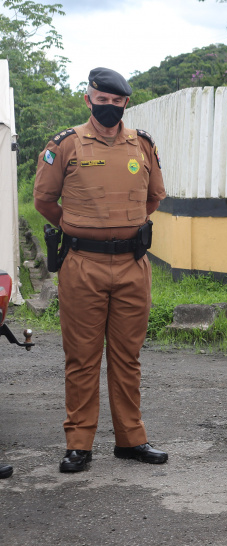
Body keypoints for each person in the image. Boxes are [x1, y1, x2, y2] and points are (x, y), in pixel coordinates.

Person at [33, 68, 168, 473]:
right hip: (82, 265)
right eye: (101, 99)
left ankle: (131, 440)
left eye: (117, 101)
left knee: (128, 357)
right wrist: (82, 227)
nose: (109, 107)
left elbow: (155, 196)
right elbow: (44, 200)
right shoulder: (66, 145)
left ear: (126, 102)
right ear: (88, 98)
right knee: (82, 357)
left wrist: (122, 229)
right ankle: (79, 444)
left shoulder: (141, 144)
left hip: (132, 263)